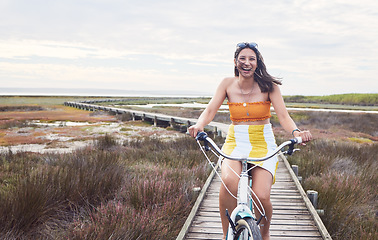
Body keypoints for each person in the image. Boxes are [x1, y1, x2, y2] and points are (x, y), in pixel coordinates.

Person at [188, 42, 312, 240]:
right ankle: (226, 234)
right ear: (235, 62)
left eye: (251, 59)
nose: (247, 63)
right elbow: (210, 110)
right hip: (235, 142)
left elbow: (284, 116)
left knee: (261, 196)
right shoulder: (226, 84)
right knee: (229, 182)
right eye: (242, 58)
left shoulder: (269, 86)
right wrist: (199, 125)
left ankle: (263, 234)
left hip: (263, 143)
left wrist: (296, 132)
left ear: (257, 62)